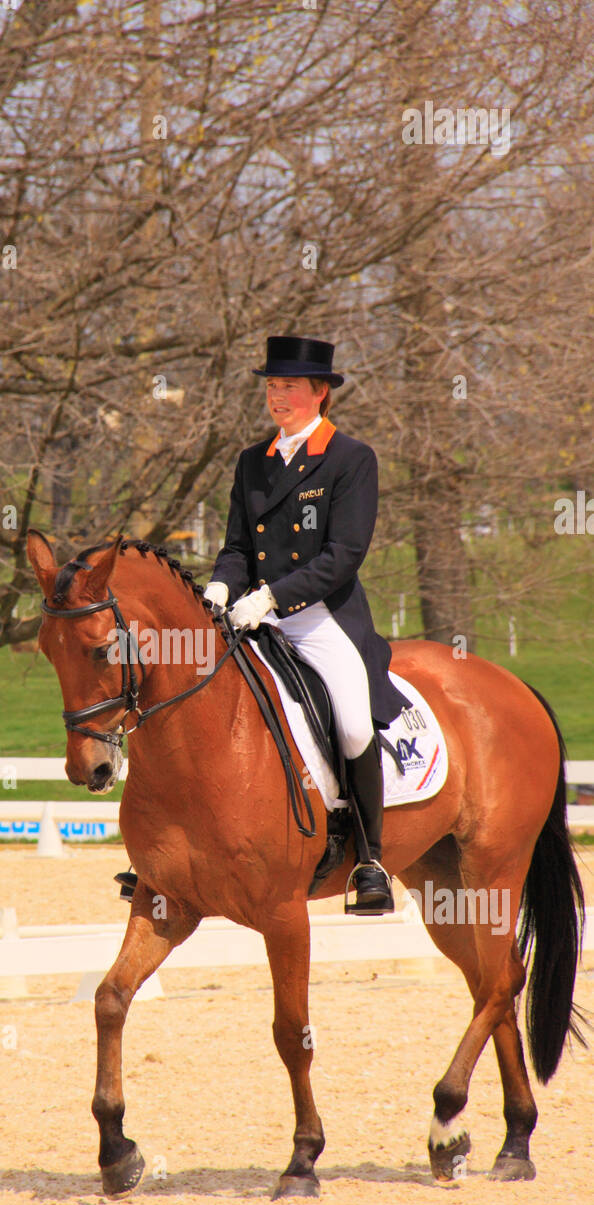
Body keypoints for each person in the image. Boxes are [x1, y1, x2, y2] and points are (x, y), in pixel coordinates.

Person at [203, 336, 410, 912]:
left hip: (322, 619)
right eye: (272, 386)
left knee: (349, 723)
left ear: (320, 393)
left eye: (290, 386)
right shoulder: (253, 462)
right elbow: (237, 545)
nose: (278, 396)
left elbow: (343, 554)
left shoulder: (350, 459)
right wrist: (222, 583)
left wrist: (271, 597)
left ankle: (370, 861)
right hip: (254, 616)